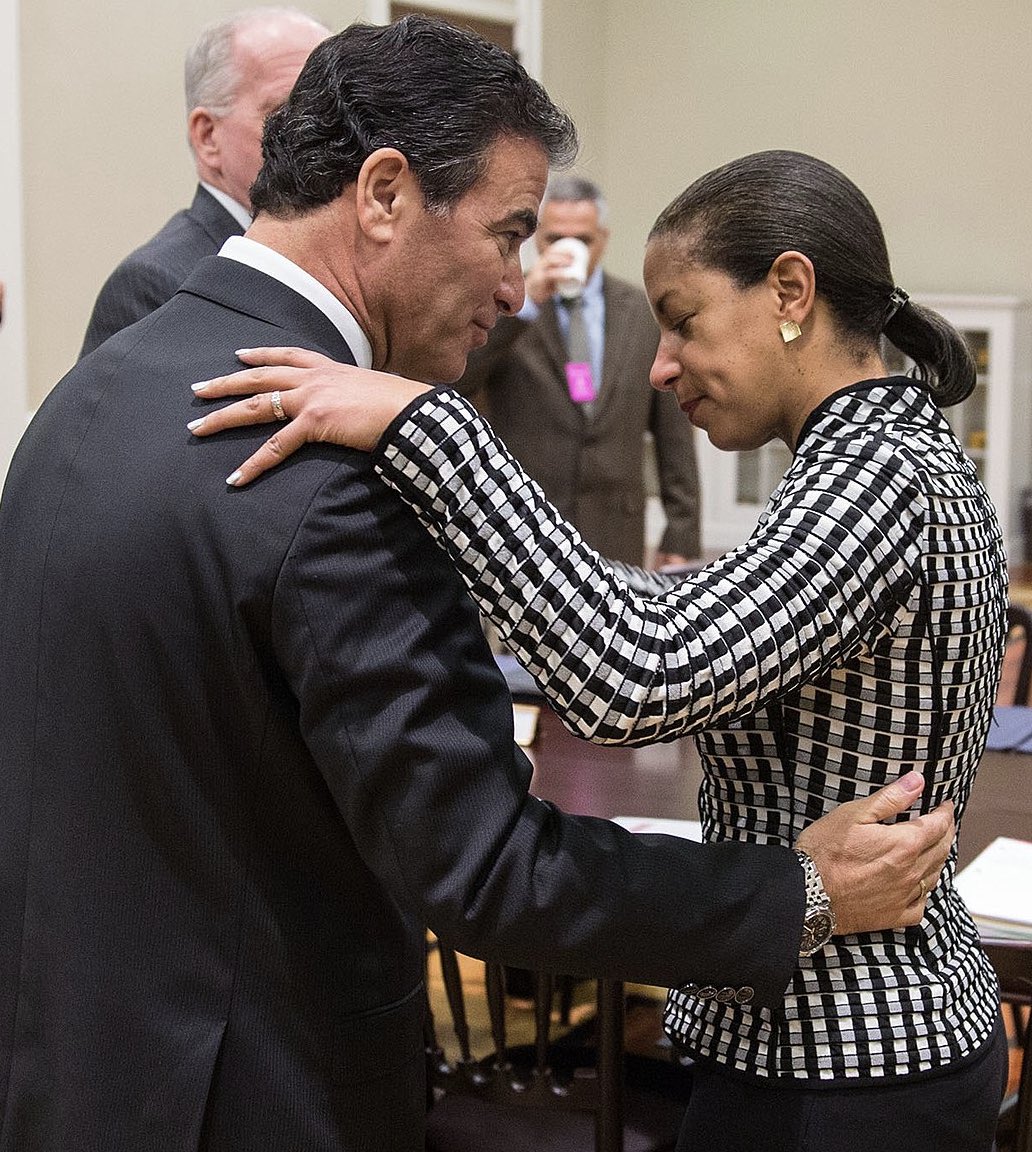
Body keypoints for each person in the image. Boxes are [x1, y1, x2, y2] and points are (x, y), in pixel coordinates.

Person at [189, 149, 1008, 1150]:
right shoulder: (887, 458)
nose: (662, 367)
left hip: (846, 1060)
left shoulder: (874, 479)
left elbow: (638, 674)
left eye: (686, 321)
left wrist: (424, 423)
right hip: (838, 1039)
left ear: (792, 292)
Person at [455, 174, 700, 565]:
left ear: (602, 239)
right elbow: (461, 381)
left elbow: (674, 433)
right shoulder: (506, 310)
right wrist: (527, 304)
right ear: (537, 240)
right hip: (527, 530)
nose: (570, 249)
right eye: (555, 239)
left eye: (583, 240)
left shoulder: (641, 312)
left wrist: (682, 532)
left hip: (616, 530)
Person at [78, 6, 328, 358]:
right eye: (287, 113)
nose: (319, 135)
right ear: (208, 136)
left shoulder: (345, 263)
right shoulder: (154, 283)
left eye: (331, 115)